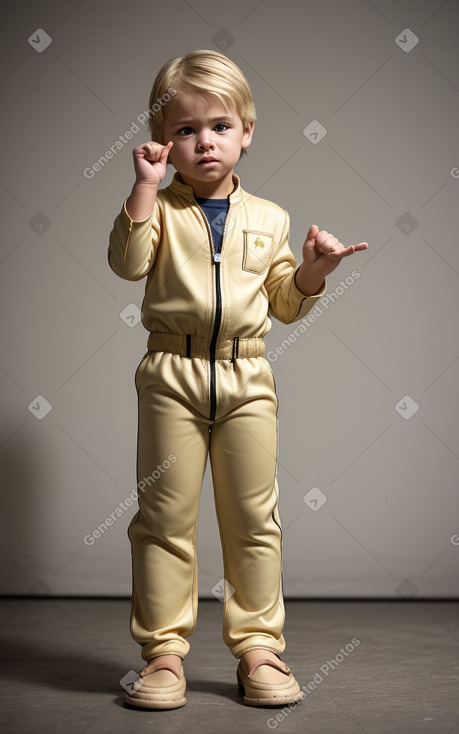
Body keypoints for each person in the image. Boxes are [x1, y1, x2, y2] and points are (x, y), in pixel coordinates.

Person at [108, 49, 368, 710]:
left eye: (219, 126)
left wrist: (313, 270)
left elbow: (283, 301)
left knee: (254, 518)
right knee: (164, 517)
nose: (203, 142)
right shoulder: (160, 210)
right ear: (164, 141)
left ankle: (258, 648)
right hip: (171, 373)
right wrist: (142, 187)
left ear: (246, 131)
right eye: (185, 130)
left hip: (246, 373)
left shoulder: (271, 218)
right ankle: (162, 654)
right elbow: (127, 262)